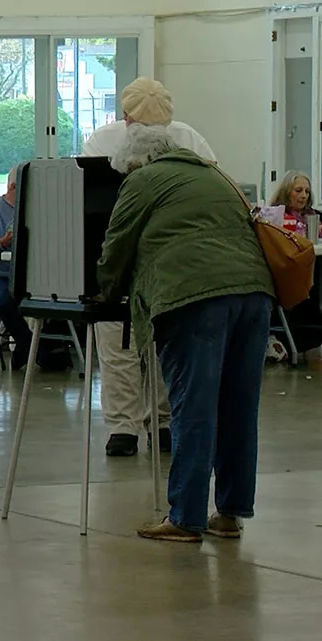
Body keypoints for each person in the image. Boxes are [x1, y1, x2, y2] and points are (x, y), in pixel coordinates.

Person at [97, 124, 275, 542]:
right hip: (255, 293)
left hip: (193, 296)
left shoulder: (142, 180)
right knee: (238, 407)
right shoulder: (214, 174)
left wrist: (105, 291)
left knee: (192, 407)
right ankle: (230, 513)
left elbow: (116, 244)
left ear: (137, 163)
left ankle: (186, 517)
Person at [81, 76, 217, 458]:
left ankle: (163, 421)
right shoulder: (101, 143)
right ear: (124, 118)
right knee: (117, 342)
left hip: (165, 260)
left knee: (160, 344)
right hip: (127, 255)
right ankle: (124, 426)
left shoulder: (189, 138)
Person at [0, 166, 67, 371]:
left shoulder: (37, 210)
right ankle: (34, 349)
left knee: (63, 296)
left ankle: (31, 349)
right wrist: (1, 243)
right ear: (13, 186)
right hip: (0, 278)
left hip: (34, 276)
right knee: (3, 299)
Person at [266, 171, 322, 356]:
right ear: (286, 192)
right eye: (298, 190)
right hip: (287, 271)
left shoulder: (315, 216)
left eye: (306, 191)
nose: (303, 195)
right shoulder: (274, 217)